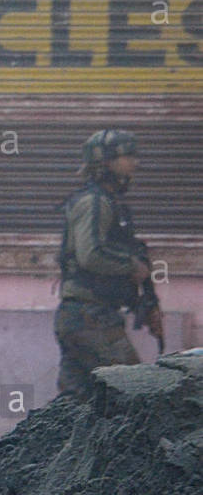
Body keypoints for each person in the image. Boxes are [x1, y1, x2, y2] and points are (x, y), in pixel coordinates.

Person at [55, 130, 163, 399]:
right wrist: (132, 266)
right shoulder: (94, 202)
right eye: (127, 156)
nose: (135, 163)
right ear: (106, 162)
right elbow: (90, 254)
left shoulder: (110, 202)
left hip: (88, 317)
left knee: (75, 404)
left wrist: (147, 304)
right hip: (89, 319)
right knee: (135, 391)